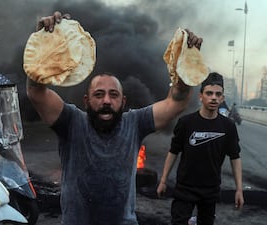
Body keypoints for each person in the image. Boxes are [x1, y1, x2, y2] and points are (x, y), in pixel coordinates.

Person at [26, 11, 202, 225]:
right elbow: (36, 92)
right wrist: (42, 51)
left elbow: (177, 101)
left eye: (114, 95)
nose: (107, 101)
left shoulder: (135, 123)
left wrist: (187, 62)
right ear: (86, 100)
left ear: (123, 101)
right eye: (99, 95)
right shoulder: (72, 122)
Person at [156, 72, 244, 225]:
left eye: (218, 94)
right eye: (209, 93)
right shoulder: (186, 123)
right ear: (201, 96)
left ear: (222, 98)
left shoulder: (228, 126)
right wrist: (163, 180)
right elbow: (173, 152)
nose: (214, 98)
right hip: (185, 188)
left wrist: (239, 189)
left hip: (210, 190)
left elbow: (235, 157)